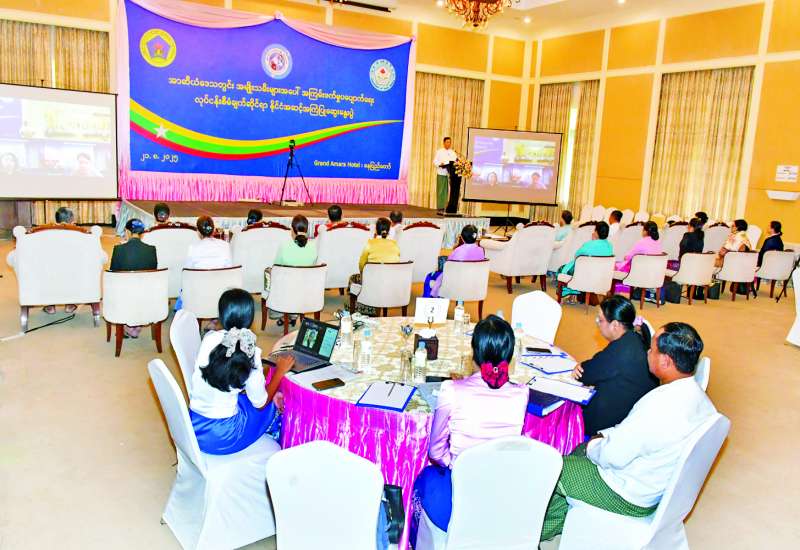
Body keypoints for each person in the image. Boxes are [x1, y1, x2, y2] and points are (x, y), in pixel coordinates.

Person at [540, 322, 715, 541]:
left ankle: (528, 529)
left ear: (666, 361)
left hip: (624, 494)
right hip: (652, 487)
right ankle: (548, 526)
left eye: (652, 349)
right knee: (580, 454)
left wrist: (594, 444)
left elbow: (611, 456)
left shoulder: (658, 404)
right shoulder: (702, 401)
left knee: (552, 465)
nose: (647, 352)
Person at [411, 315, 529, 545]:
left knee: (425, 480)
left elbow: (435, 451)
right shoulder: (522, 392)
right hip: (501, 485)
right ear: (509, 355)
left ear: (473, 351)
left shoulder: (451, 390)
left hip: (460, 486)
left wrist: (455, 462)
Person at [189, 289, 294, 455]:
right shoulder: (250, 352)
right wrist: (279, 372)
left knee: (248, 398)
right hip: (223, 436)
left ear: (221, 315)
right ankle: (276, 443)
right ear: (250, 318)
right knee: (273, 405)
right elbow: (260, 404)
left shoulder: (209, 338)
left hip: (194, 426)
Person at [571, 296, 658, 436]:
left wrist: (580, 367)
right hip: (634, 414)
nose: (598, 324)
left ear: (615, 325)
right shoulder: (637, 336)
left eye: (600, 320)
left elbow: (585, 374)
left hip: (612, 425)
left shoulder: (619, 350)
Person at [110, 218, 158, 337]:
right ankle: (137, 323)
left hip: (125, 295)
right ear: (142, 233)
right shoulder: (151, 249)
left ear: (127, 232)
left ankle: (128, 325)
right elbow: (153, 272)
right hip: (146, 295)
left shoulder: (118, 249)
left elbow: (113, 274)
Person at [348, 217, 401, 314]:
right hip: (390, 282)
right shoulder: (395, 245)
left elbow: (361, 264)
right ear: (389, 231)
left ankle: (360, 306)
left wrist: (363, 274)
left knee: (352, 278)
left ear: (376, 230)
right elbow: (396, 261)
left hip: (372, 282)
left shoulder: (370, 243)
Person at [424, 224, 486, 298]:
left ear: (462, 238)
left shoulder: (458, 250)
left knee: (429, 276)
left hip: (457, 281)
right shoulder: (481, 250)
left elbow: (448, 266)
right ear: (476, 237)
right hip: (474, 282)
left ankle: (429, 300)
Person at [558, 222, 614, 299]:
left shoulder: (589, 244)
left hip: (584, 274)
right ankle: (575, 294)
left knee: (561, 269)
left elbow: (577, 256)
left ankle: (573, 292)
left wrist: (593, 241)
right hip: (600, 276)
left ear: (596, 232)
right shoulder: (610, 246)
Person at [433, 137, 457, 214]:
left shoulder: (453, 152)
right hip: (441, 173)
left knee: (447, 192)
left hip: (450, 175)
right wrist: (440, 164)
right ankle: (440, 207)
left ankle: (446, 207)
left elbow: (456, 162)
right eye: (447, 142)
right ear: (444, 143)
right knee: (441, 191)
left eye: (450, 142)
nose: (448, 144)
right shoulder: (439, 151)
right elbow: (435, 161)